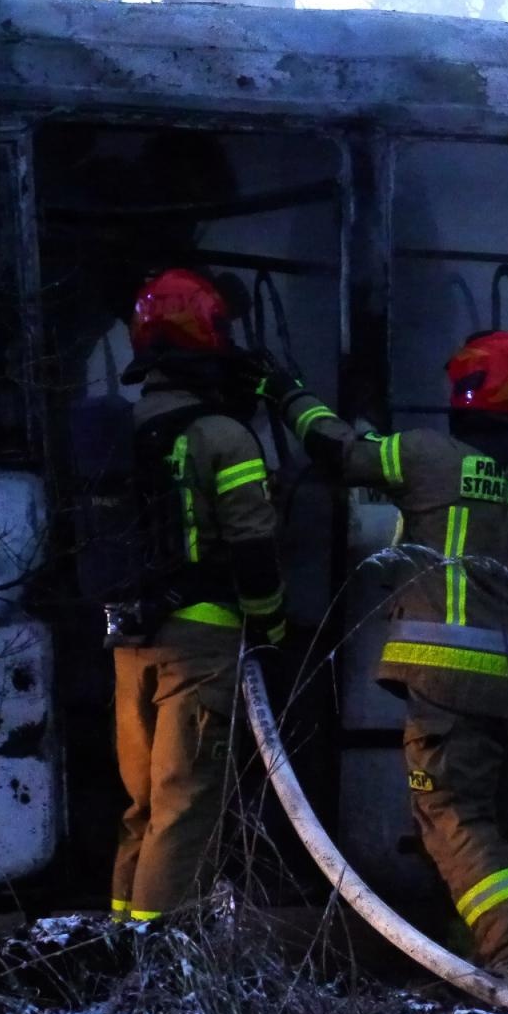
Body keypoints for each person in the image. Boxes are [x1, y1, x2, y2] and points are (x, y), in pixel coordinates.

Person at [264, 330, 508, 986]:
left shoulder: (427, 457)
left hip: (445, 687)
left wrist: (287, 393)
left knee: (450, 817)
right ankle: (474, 976)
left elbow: (338, 451)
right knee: (495, 830)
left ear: (468, 395)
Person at [107, 268, 288, 925]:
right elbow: (253, 546)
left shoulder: (118, 433)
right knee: (184, 805)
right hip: (202, 643)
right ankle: (160, 970)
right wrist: (271, 625)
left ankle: (120, 936)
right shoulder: (223, 437)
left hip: (129, 640)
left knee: (143, 806)